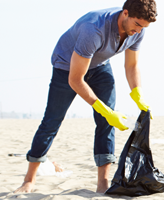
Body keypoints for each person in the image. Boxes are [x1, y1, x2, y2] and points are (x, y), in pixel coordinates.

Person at [15, 0, 156, 193]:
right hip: (66, 68)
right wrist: (104, 110)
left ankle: (102, 183)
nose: (139, 31)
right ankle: (29, 180)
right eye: (137, 24)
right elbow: (75, 80)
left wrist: (137, 93)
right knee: (51, 122)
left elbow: (131, 66)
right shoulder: (94, 29)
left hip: (99, 66)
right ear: (125, 13)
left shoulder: (138, 31)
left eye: (144, 27)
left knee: (106, 123)